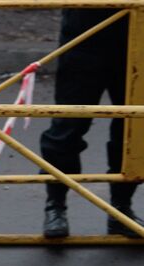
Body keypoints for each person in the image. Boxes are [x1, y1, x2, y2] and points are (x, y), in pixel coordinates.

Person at [41, 9, 142, 238]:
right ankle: (55, 207)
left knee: (131, 132)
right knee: (67, 129)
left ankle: (121, 210)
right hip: (82, 39)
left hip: (136, 40)